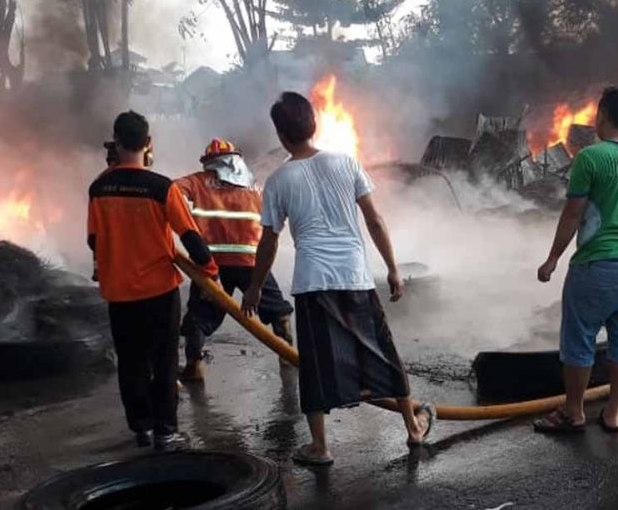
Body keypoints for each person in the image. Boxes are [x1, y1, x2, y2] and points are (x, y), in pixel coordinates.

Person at [240, 92, 432, 466]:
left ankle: (321, 447)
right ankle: (413, 428)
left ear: (281, 134)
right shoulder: (346, 163)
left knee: (316, 363)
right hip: (356, 277)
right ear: (313, 125)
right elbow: (374, 220)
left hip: (314, 283)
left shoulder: (278, 180)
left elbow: (269, 241)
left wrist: (255, 286)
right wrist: (392, 267)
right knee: (383, 351)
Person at [534, 85, 618, 434]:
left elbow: (572, 214)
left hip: (597, 264)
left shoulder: (590, 158)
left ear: (601, 116)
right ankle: (613, 412)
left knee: (579, 337)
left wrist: (552, 259)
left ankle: (573, 412)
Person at [87, 111, 218, 450]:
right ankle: (165, 431)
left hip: (118, 291)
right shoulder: (162, 187)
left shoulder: (99, 187)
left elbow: (93, 239)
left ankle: (141, 429)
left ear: (116, 142)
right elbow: (188, 233)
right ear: (147, 144)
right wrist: (209, 268)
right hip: (159, 290)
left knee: (130, 361)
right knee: (163, 360)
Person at [176, 138, 294, 382]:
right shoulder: (255, 187)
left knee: (199, 316)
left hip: (212, 265)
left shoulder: (198, 181)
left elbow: (169, 192)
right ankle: (288, 356)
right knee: (277, 310)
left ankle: (194, 366)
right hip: (251, 261)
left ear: (209, 163)